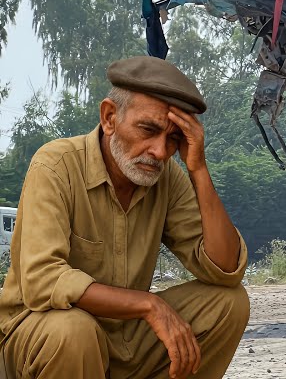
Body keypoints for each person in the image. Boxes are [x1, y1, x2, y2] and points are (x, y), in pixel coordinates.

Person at [0, 56, 250, 379]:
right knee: (74, 331)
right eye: (148, 130)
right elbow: (43, 280)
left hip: (124, 339)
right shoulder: (55, 166)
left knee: (230, 304)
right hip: (43, 337)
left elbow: (225, 270)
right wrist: (149, 305)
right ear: (109, 118)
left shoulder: (166, 177)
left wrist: (198, 169)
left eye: (173, 138)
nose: (159, 151)